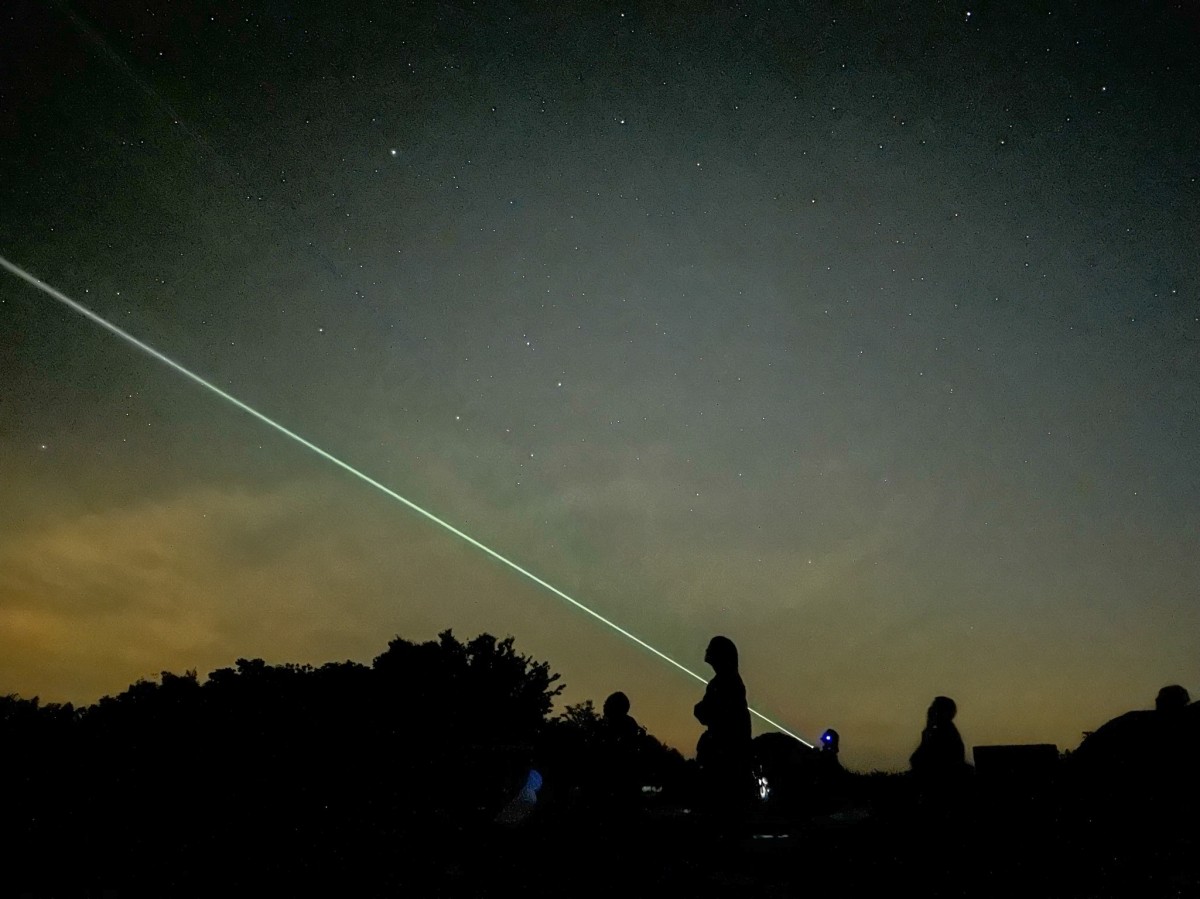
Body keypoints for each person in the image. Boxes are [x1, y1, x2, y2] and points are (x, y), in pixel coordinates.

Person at [693, 636, 753, 826]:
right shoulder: (729, 681)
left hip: (724, 754)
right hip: (729, 752)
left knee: (720, 813)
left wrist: (701, 709)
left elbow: (708, 711)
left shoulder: (723, 683)